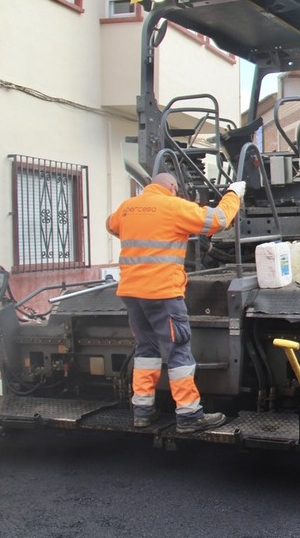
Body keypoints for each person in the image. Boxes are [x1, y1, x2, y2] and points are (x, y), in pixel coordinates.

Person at [106, 173, 247, 434]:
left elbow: (111, 226)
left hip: (131, 294)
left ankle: (142, 410)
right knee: (178, 352)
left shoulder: (128, 207)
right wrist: (233, 195)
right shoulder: (173, 207)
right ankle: (189, 414)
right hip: (162, 294)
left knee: (146, 349)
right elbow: (219, 220)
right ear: (172, 187)